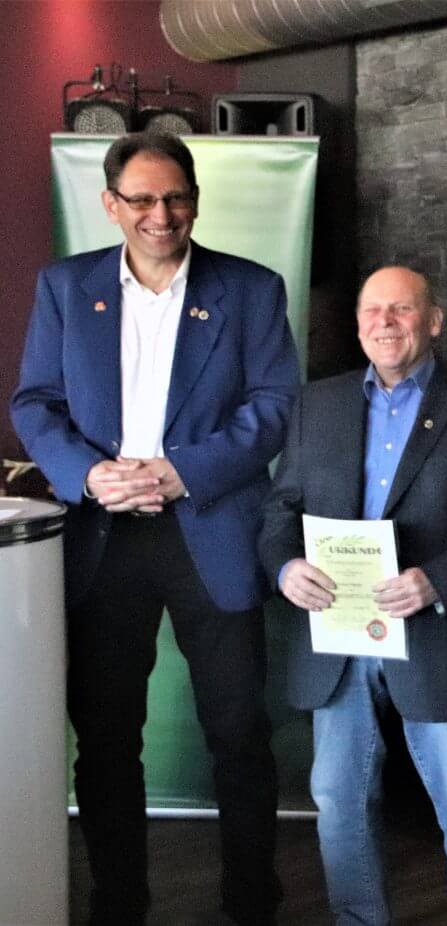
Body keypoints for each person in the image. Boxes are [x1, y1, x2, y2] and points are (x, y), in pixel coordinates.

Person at [10, 131, 297, 924]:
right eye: (141, 199)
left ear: (195, 200)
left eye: (175, 198)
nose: (160, 215)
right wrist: (87, 474)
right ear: (111, 205)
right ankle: (119, 904)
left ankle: (252, 903)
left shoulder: (251, 289)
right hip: (103, 539)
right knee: (106, 740)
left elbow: (274, 405)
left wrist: (181, 471)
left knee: (239, 734)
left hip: (212, 529)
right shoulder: (66, 287)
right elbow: (36, 402)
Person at [259, 266, 447, 924]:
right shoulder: (317, 404)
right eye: (373, 310)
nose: (385, 322)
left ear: (434, 321)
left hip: (435, 630)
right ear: (357, 325)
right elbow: (280, 509)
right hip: (338, 633)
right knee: (339, 802)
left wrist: (440, 580)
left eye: (401, 309)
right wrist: (286, 568)